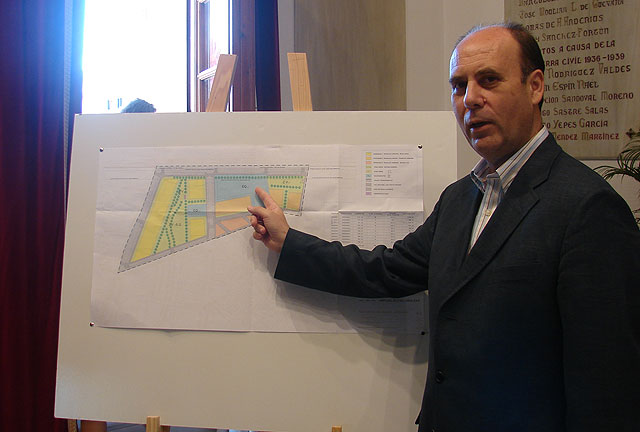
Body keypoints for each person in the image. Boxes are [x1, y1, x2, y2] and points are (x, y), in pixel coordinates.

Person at [247, 22, 640, 432]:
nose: (470, 99)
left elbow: (607, 389)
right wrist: (289, 243)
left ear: (535, 86)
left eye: (489, 80)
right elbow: (385, 270)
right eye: (459, 86)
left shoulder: (588, 208)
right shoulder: (460, 198)